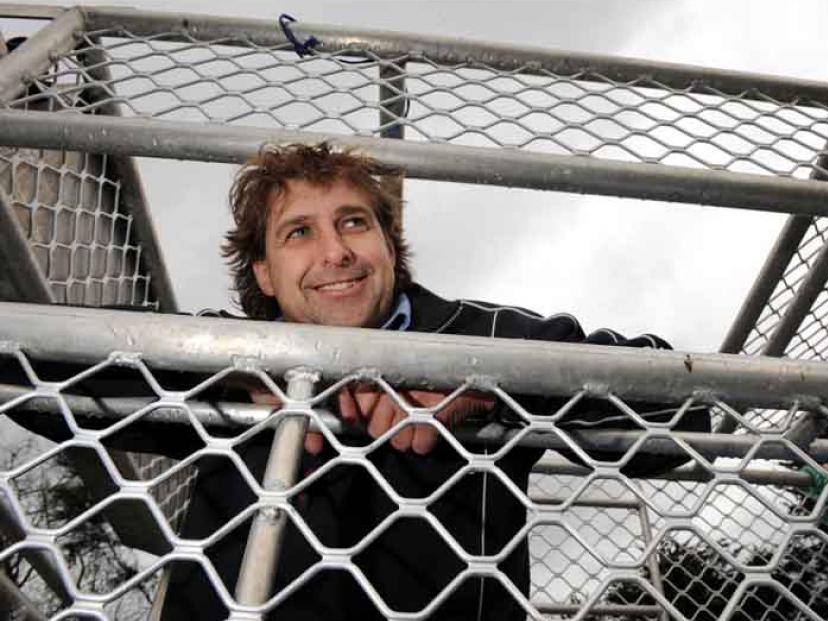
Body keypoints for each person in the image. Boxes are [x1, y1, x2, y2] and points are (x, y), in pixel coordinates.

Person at [160, 143, 709, 620]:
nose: (336, 251)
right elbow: (74, 381)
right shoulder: (215, 353)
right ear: (263, 272)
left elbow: (683, 412)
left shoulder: (483, 337)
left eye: (354, 222)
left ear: (390, 248)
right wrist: (236, 375)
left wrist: (488, 387)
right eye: (300, 232)